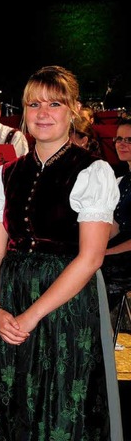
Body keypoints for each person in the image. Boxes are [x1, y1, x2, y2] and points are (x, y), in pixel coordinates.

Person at [0, 65, 122, 440]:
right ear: (23, 112)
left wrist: (32, 316)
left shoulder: (93, 172)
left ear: (72, 110)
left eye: (54, 104)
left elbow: (91, 258)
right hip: (8, 301)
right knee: (10, 406)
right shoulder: (5, 175)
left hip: (63, 307)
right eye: (34, 104)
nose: (43, 113)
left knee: (58, 408)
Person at [101, 117, 131, 342]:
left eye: (129, 140)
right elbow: (114, 225)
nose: (122, 144)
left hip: (125, 258)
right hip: (118, 252)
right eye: (119, 139)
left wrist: (105, 253)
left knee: (96, 273)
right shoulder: (122, 180)